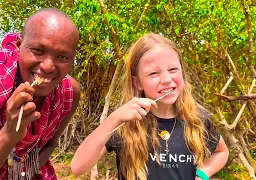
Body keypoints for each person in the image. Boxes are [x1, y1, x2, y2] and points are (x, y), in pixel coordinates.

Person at [70, 33, 229, 180]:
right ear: (137, 82)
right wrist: (114, 118)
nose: (167, 79)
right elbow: (77, 167)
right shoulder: (125, 123)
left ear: (182, 73)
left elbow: (222, 152)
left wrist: (203, 173)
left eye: (173, 69)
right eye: (154, 73)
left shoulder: (198, 119)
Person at [0, 8, 80, 180]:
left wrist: (22, 175)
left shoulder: (69, 92)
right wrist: (9, 135)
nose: (48, 66)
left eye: (62, 57)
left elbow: (49, 145)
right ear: (19, 45)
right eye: (38, 50)